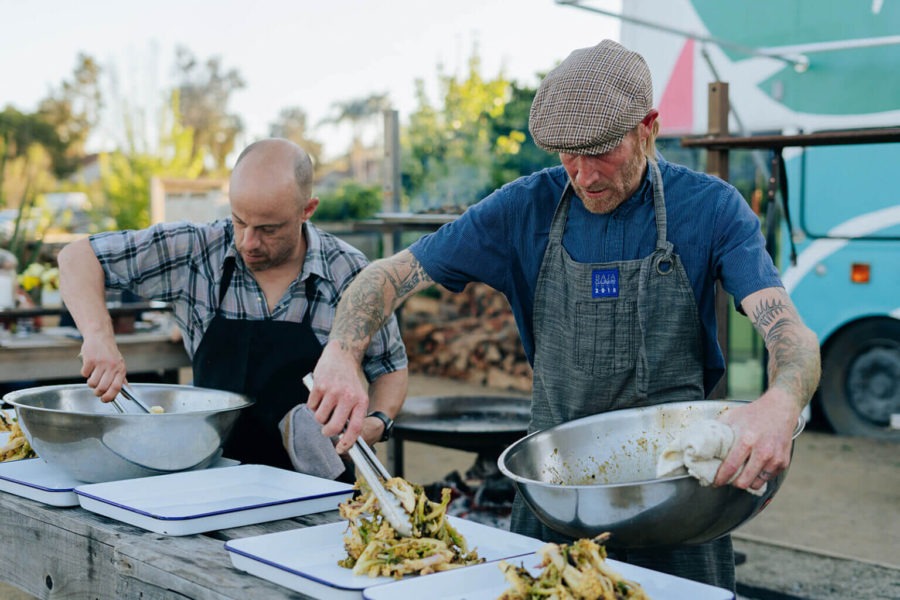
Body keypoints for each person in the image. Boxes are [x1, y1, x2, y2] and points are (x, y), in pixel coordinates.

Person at [307, 40, 821, 590]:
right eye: (566, 154)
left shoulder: (711, 208)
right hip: (557, 497)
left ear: (648, 126)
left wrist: (781, 403)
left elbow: (788, 330)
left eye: (601, 151)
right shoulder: (521, 208)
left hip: (681, 501)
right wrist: (341, 352)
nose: (583, 175)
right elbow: (385, 275)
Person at [57, 138, 408, 477]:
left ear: (307, 210)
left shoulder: (349, 271)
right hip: (213, 475)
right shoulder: (194, 250)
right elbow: (77, 257)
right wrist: (99, 337)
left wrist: (375, 424)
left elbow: (390, 367)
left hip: (318, 487)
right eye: (239, 221)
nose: (247, 242)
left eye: (267, 229)